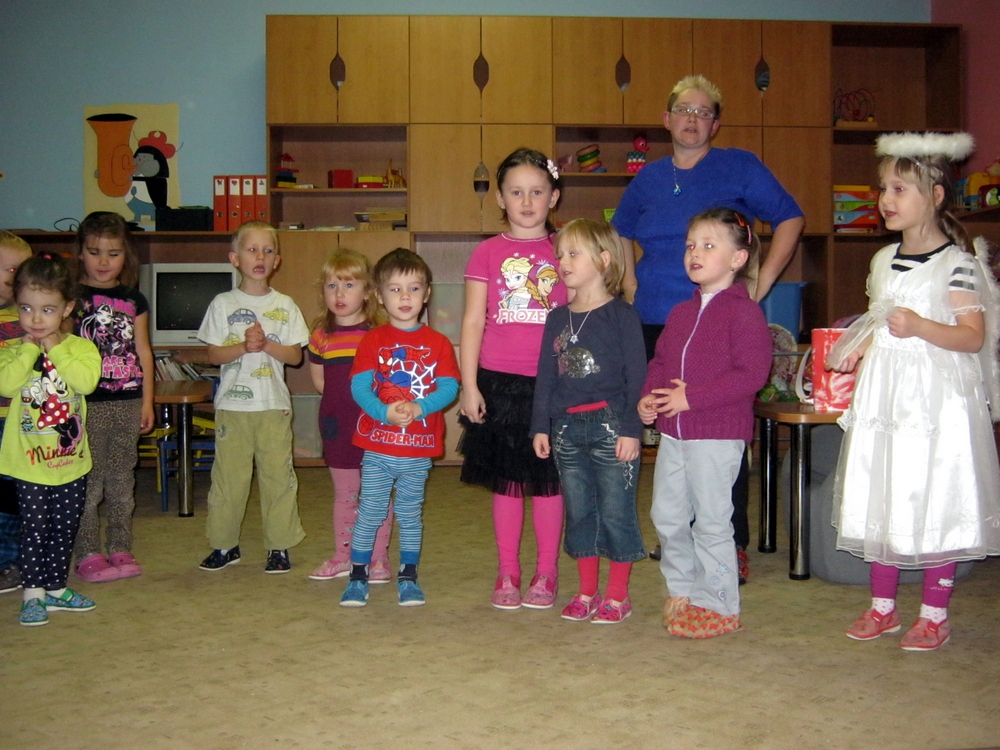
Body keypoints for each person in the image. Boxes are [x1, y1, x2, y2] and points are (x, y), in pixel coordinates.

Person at [612, 74, 805, 583]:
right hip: (658, 318)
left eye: (703, 112)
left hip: (720, 321)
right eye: (684, 110)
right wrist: (630, 282)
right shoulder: (649, 177)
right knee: (671, 428)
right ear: (667, 119)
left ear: (715, 124)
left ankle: (728, 541)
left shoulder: (739, 165)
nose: (692, 119)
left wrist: (760, 283)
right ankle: (679, 533)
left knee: (716, 428)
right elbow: (620, 229)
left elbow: (790, 217)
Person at [829, 132, 1000, 652]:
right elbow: (880, 320)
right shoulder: (883, 260)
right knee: (883, 489)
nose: (885, 198)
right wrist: (859, 347)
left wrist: (921, 326)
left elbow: (973, 337)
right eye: (883, 188)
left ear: (936, 195)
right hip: (886, 397)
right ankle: (882, 606)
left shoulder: (958, 265)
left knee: (935, 495)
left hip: (936, 401)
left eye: (899, 189)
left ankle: (934, 614)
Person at [638, 208, 772, 639]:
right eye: (691, 245)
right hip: (675, 435)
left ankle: (719, 603)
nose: (695, 253)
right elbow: (660, 362)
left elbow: (751, 376)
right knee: (667, 515)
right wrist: (651, 396)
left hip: (717, 436)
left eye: (709, 245)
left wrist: (689, 397)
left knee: (712, 522)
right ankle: (682, 588)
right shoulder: (680, 313)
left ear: (738, 259)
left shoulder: (745, 313)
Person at [459, 147, 567, 611]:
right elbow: (472, 321)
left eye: (537, 192)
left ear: (553, 197)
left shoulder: (565, 250)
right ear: (500, 198)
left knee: (548, 481)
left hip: (553, 384)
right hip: (499, 383)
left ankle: (547, 571)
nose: (527, 201)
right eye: (516, 192)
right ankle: (508, 570)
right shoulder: (487, 252)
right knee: (507, 481)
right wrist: (469, 386)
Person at [531, 219, 646, 624]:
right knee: (580, 512)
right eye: (560, 254)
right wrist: (540, 425)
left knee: (615, 510)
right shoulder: (556, 318)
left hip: (611, 426)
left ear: (603, 259)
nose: (563, 261)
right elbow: (546, 377)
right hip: (566, 429)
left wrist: (632, 430)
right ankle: (586, 591)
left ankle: (617, 596)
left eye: (573, 253)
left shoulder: (622, 316)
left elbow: (637, 377)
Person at [339, 248, 460, 608]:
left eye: (413, 288)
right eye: (395, 289)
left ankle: (409, 576)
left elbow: (449, 388)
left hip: (417, 451)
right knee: (370, 512)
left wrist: (421, 406)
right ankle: (357, 576)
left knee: (410, 515)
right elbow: (360, 387)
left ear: (427, 293)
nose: (405, 297)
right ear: (379, 295)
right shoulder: (372, 340)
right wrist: (384, 412)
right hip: (378, 447)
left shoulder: (438, 343)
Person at [197, 220, 309, 574]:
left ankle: (279, 546)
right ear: (235, 258)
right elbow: (213, 354)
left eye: (268, 250)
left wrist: (267, 345)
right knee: (229, 479)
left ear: (276, 261)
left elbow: (295, 356)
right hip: (233, 408)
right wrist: (244, 347)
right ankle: (225, 545)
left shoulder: (285, 304)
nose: (260, 257)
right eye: (252, 249)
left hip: (273, 406)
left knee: (278, 478)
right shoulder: (222, 303)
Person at [0, 253, 101, 626]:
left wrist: (55, 348)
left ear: (67, 308)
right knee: (35, 529)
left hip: (70, 461)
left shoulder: (82, 348)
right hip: (28, 464)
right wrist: (30, 348)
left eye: (47, 310)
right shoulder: (13, 351)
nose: (36, 319)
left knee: (64, 527)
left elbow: (85, 382)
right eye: (27, 308)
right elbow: (7, 385)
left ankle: (56, 589)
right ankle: (33, 593)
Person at [70, 212, 155, 583]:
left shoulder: (134, 299)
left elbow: (144, 351)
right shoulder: (71, 297)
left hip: (128, 402)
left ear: (126, 256)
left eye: (113, 253)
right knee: (88, 485)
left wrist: (147, 402)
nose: (103, 261)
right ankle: (87, 553)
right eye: (95, 252)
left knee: (121, 482)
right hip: (85, 405)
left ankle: (121, 547)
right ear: (80, 253)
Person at [306, 249, 394, 583]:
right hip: (337, 426)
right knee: (346, 493)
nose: (339, 294)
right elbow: (320, 383)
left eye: (348, 285)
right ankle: (344, 556)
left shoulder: (379, 334)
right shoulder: (320, 335)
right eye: (332, 286)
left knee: (377, 494)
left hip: (374, 426)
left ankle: (378, 559)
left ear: (368, 291)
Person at [0, 232, 33, 596]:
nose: (14, 277)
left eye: (19, 270)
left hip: (19, 420)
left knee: (13, 494)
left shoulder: (26, 316)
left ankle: (12, 562)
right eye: (7, 269)